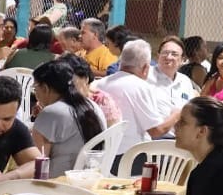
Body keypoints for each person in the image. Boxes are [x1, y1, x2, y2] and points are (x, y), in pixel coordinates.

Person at [97, 40, 182, 172]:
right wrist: (176, 115)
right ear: (145, 68)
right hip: (130, 158)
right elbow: (156, 130)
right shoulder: (141, 87)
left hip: (101, 155)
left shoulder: (99, 84)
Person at [31, 60, 106, 177]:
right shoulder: (92, 106)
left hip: (58, 182)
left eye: (35, 88)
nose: (35, 93)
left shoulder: (51, 113)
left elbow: (37, 164)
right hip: (90, 178)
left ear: (45, 88)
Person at [61, 52, 121, 127]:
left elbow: (113, 130)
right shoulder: (57, 101)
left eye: (71, 82)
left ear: (85, 78)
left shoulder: (101, 100)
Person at [149, 35, 197, 110]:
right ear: (158, 56)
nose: (168, 57)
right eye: (165, 53)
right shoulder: (146, 76)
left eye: (174, 54)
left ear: (182, 60)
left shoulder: (185, 81)